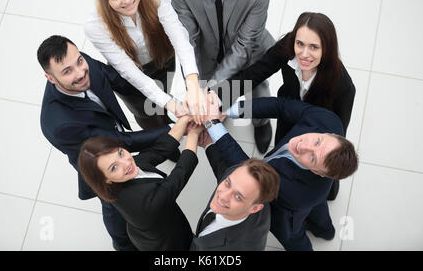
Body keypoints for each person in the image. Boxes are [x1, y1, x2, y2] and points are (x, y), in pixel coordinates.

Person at [38, 35, 174, 251]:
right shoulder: (59, 125)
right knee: (113, 201)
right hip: (97, 162)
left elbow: (119, 81)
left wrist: (165, 100)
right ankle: (122, 244)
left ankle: (169, 147)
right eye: (67, 71)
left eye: (79, 61)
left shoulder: (84, 63)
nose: (81, 72)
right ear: (51, 78)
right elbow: (121, 142)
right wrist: (173, 129)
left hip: (114, 135)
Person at [224, 12, 356, 200]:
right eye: (300, 44)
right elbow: (257, 72)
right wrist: (220, 99)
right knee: (282, 151)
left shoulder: (343, 86)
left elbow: (339, 132)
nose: (303, 54)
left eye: (314, 47)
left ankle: (330, 184)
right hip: (286, 113)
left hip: (317, 130)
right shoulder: (288, 46)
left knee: (323, 169)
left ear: (326, 49)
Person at [203, 92, 358, 251]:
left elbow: (248, 171)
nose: (303, 146)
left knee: (292, 236)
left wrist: (212, 124)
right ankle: (325, 229)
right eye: (318, 141)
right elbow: (281, 106)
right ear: (329, 134)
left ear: (318, 173)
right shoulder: (328, 120)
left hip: (287, 211)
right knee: (319, 205)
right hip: (316, 192)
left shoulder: (293, 192)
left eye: (312, 158)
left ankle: (319, 235)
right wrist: (227, 112)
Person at [171, 0, 275, 153]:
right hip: (206, 54)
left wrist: (209, 92)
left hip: (251, 54)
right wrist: (196, 90)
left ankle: (261, 123)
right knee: (215, 100)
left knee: (259, 95)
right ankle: (218, 110)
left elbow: (244, 46)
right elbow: (186, 38)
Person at [85, 0, 206, 129]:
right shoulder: (96, 25)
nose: (127, 0)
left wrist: (193, 86)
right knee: (144, 112)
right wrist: (173, 105)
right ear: (105, 0)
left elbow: (179, 36)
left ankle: (166, 122)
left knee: (162, 96)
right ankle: (160, 137)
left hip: (162, 57)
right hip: (129, 75)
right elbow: (130, 72)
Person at [78, 116, 202, 251]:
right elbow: (179, 175)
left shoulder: (122, 175)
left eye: (120, 152)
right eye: (114, 168)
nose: (127, 163)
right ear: (106, 179)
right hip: (167, 243)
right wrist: (194, 134)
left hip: (145, 231)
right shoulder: (143, 204)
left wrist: (184, 120)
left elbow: (158, 150)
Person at [190, 143, 280, 250]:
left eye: (238, 197)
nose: (223, 196)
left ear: (255, 208)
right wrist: (208, 144)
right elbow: (223, 170)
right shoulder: (239, 176)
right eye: (228, 183)